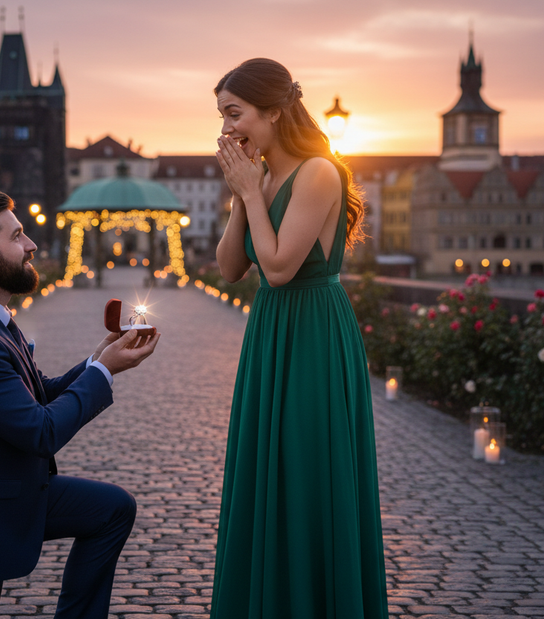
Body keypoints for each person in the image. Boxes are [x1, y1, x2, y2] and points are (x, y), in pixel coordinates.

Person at [0, 190, 159, 619]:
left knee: (112, 510)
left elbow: (34, 395)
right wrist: (103, 373)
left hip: (0, 490)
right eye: (17, 236)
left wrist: (98, 360)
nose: (32, 244)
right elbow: (40, 431)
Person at [211, 58, 389, 618]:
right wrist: (244, 194)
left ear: (274, 111)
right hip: (271, 329)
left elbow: (283, 266)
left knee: (308, 467)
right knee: (268, 467)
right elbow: (230, 268)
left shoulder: (318, 172)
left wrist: (252, 191)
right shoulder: (261, 177)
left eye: (234, 113)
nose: (226, 129)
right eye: (221, 116)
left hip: (312, 328)